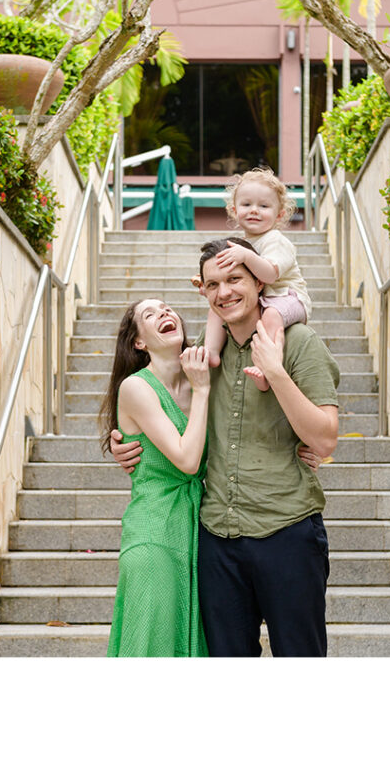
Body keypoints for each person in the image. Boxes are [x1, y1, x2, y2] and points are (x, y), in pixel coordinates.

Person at [111, 239, 339, 657]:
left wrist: (276, 373)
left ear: (258, 283)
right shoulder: (200, 356)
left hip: (286, 530)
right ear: (204, 291)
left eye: (235, 279)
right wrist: (124, 444)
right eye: (213, 284)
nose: (225, 292)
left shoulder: (300, 342)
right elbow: (155, 400)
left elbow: (325, 438)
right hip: (217, 539)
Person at [98, 298, 212, 657]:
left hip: (197, 531)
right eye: (151, 314)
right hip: (154, 535)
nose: (164, 313)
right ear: (139, 342)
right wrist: (204, 390)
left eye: (167, 307)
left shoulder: (199, 374)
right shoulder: (135, 388)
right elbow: (187, 460)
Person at [198, 167, 310, 392]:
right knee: (217, 307)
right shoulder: (242, 243)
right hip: (264, 297)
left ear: (279, 215)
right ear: (233, 210)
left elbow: (269, 274)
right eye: (247, 205)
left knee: (271, 316)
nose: (254, 211)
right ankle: (211, 352)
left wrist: (246, 256)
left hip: (288, 298)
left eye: (264, 206)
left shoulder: (275, 241)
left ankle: (269, 368)